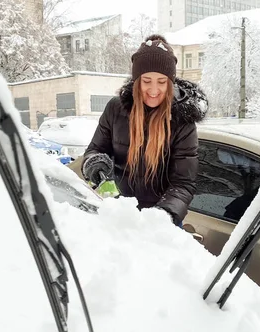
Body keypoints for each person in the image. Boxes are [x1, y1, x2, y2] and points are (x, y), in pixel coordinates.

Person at [81, 34, 208, 228]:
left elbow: (183, 183)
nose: (154, 90)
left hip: (163, 220)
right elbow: (95, 150)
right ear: (137, 81)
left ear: (170, 83)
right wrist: (95, 164)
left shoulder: (183, 121)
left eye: (162, 82)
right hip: (120, 214)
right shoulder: (116, 109)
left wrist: (162, 215)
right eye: (147, 80)